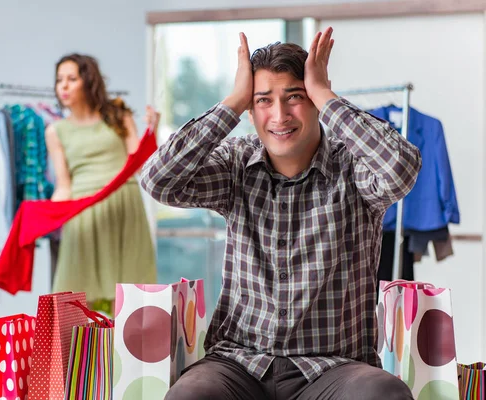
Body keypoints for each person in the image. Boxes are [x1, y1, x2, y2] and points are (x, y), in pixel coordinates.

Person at [140, 27, 421, 399]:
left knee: (383, 393)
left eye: (295, 97)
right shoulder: (236, 164)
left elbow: (400, 168)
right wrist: (233, 104)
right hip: (239, 363)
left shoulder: (353, 166)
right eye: (263, 101)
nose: (279, 115)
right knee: (187, 396)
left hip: (333, 367)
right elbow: (158, 180)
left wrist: (324, 94)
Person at [47, 53, 158, 314]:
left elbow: (142, 166)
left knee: (130, 294)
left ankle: (129, 353)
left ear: (88, 81)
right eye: (59, 80)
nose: (63, 86)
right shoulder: (55, 131)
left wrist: (153, 129)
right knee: (76, 296)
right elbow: (63, 185)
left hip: (124, 205)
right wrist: (45, 217)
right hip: (83, 211)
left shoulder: (117, 115)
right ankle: (84, 355)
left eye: (71, 78)